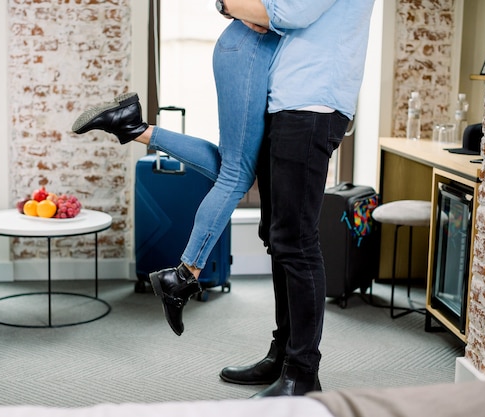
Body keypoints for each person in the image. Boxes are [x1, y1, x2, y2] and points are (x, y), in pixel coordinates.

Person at [72, 20, 280, 336]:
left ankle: (132, 126)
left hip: (247, 50)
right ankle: (183, 276)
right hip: (250, 51)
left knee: (232, 170)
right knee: (236, 176)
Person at [215, 0, 376, 398]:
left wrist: (226, 4)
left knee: (296, 241)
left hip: (312, 107)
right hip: (289, 104)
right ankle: (284, 354)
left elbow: (287, 12)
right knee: (278, 237)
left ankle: (302, 372)